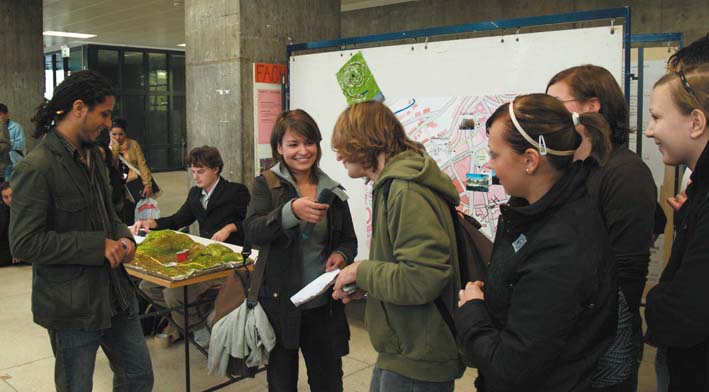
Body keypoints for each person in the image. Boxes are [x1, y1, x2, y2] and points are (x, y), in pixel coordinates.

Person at [454, 94, 618, 392]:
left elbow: (512, 368)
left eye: (494, 155)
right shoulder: (530, 211)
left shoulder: (561, 247)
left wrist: (473, 311)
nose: (489, 166)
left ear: (530, 160)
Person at [9, 70, 153, 391]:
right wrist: (96, 245)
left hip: (116, 296)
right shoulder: (36, 168)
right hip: (71, 307)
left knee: (138, 377)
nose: (107, 123)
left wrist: (125, 238)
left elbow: (110, 214)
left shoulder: (94, 158)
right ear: (78, 108)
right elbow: (25, 243)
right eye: (103, 114)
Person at [331, 101, 464, 391]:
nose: (339, 154)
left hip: (418, 355)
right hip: (403, 345)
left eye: (346, 146)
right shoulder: (393, 185)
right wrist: (367, 284)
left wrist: (361, 272)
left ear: (367, 143)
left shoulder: (406, 190)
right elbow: (402, 265)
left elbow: (422, 278)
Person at [547, 64, 657, 391]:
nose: (549, 114)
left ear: (591, 107)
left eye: (557, 104)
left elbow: (625, 276)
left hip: (604, 344)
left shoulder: (625, 173)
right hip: (570, 340)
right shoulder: (575, 170)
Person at [243, 109, 357, 392]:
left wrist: (341, 255)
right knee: (282, 383)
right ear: (279, 148)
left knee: (328, 382)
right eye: (293, 144)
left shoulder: (331, 189)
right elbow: (252, 231)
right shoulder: (266, 185)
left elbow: (349, 240)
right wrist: (289, 212)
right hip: (281, 307)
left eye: (309, 143)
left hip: (323, 307)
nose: (303, 151)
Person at [133, 146, 251, 346]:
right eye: (193, 172)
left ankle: (194, 326)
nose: (196, 177)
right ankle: (196, 322)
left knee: (173, 294)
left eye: (201, 171)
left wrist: (230, 227)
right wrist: (151, 223)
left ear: (216, 169)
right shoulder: (195, 195)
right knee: (147, 287)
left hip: (229, 260)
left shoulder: (236, 191)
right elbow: (178, 219)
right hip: (204, 258)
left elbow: (251, 223)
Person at [644, 64, 709, 391]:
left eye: (656, 118)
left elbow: (688, 310)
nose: (648, 131)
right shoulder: (698, 193)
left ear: (696, 122)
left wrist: (655, 300)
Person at [109, 117, 154, 225]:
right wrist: (115, 149)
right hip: (118, 187)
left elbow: (142, 164)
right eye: (114, 134)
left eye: (121, 134)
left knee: (136, 213)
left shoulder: (133, 145)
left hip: (133, 184)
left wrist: (147, 184)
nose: (118, 137)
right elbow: (111, 166)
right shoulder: (106, 148)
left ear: (125, 134)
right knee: (120, 215)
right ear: (109, 133)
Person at [0, 103, 26, 179]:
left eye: (0, 114)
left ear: (6, 114)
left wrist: (7, 142)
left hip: (11, 162)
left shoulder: (16, 127)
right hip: (1, 162)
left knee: (7, 184)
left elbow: (21, 145)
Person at [0, 182, 20, 265]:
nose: (10, 199)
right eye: (6, 197)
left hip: (23, 245)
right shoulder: (1, 211)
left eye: (12, 195)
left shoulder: (26, 208)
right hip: (7, 247)